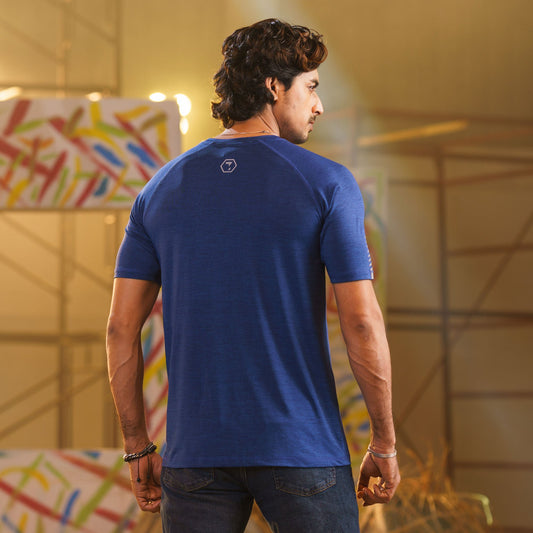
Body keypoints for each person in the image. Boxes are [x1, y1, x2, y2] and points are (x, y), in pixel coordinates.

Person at [107, 18, 400, 533]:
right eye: (311, 87)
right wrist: (384, 443)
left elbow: (119, 330)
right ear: (273, 87)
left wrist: (137, 447)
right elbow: (361, 322)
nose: (318, 105)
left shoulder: (159, 190)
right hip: (302, 450)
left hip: (194, 458)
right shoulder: (328, 183)